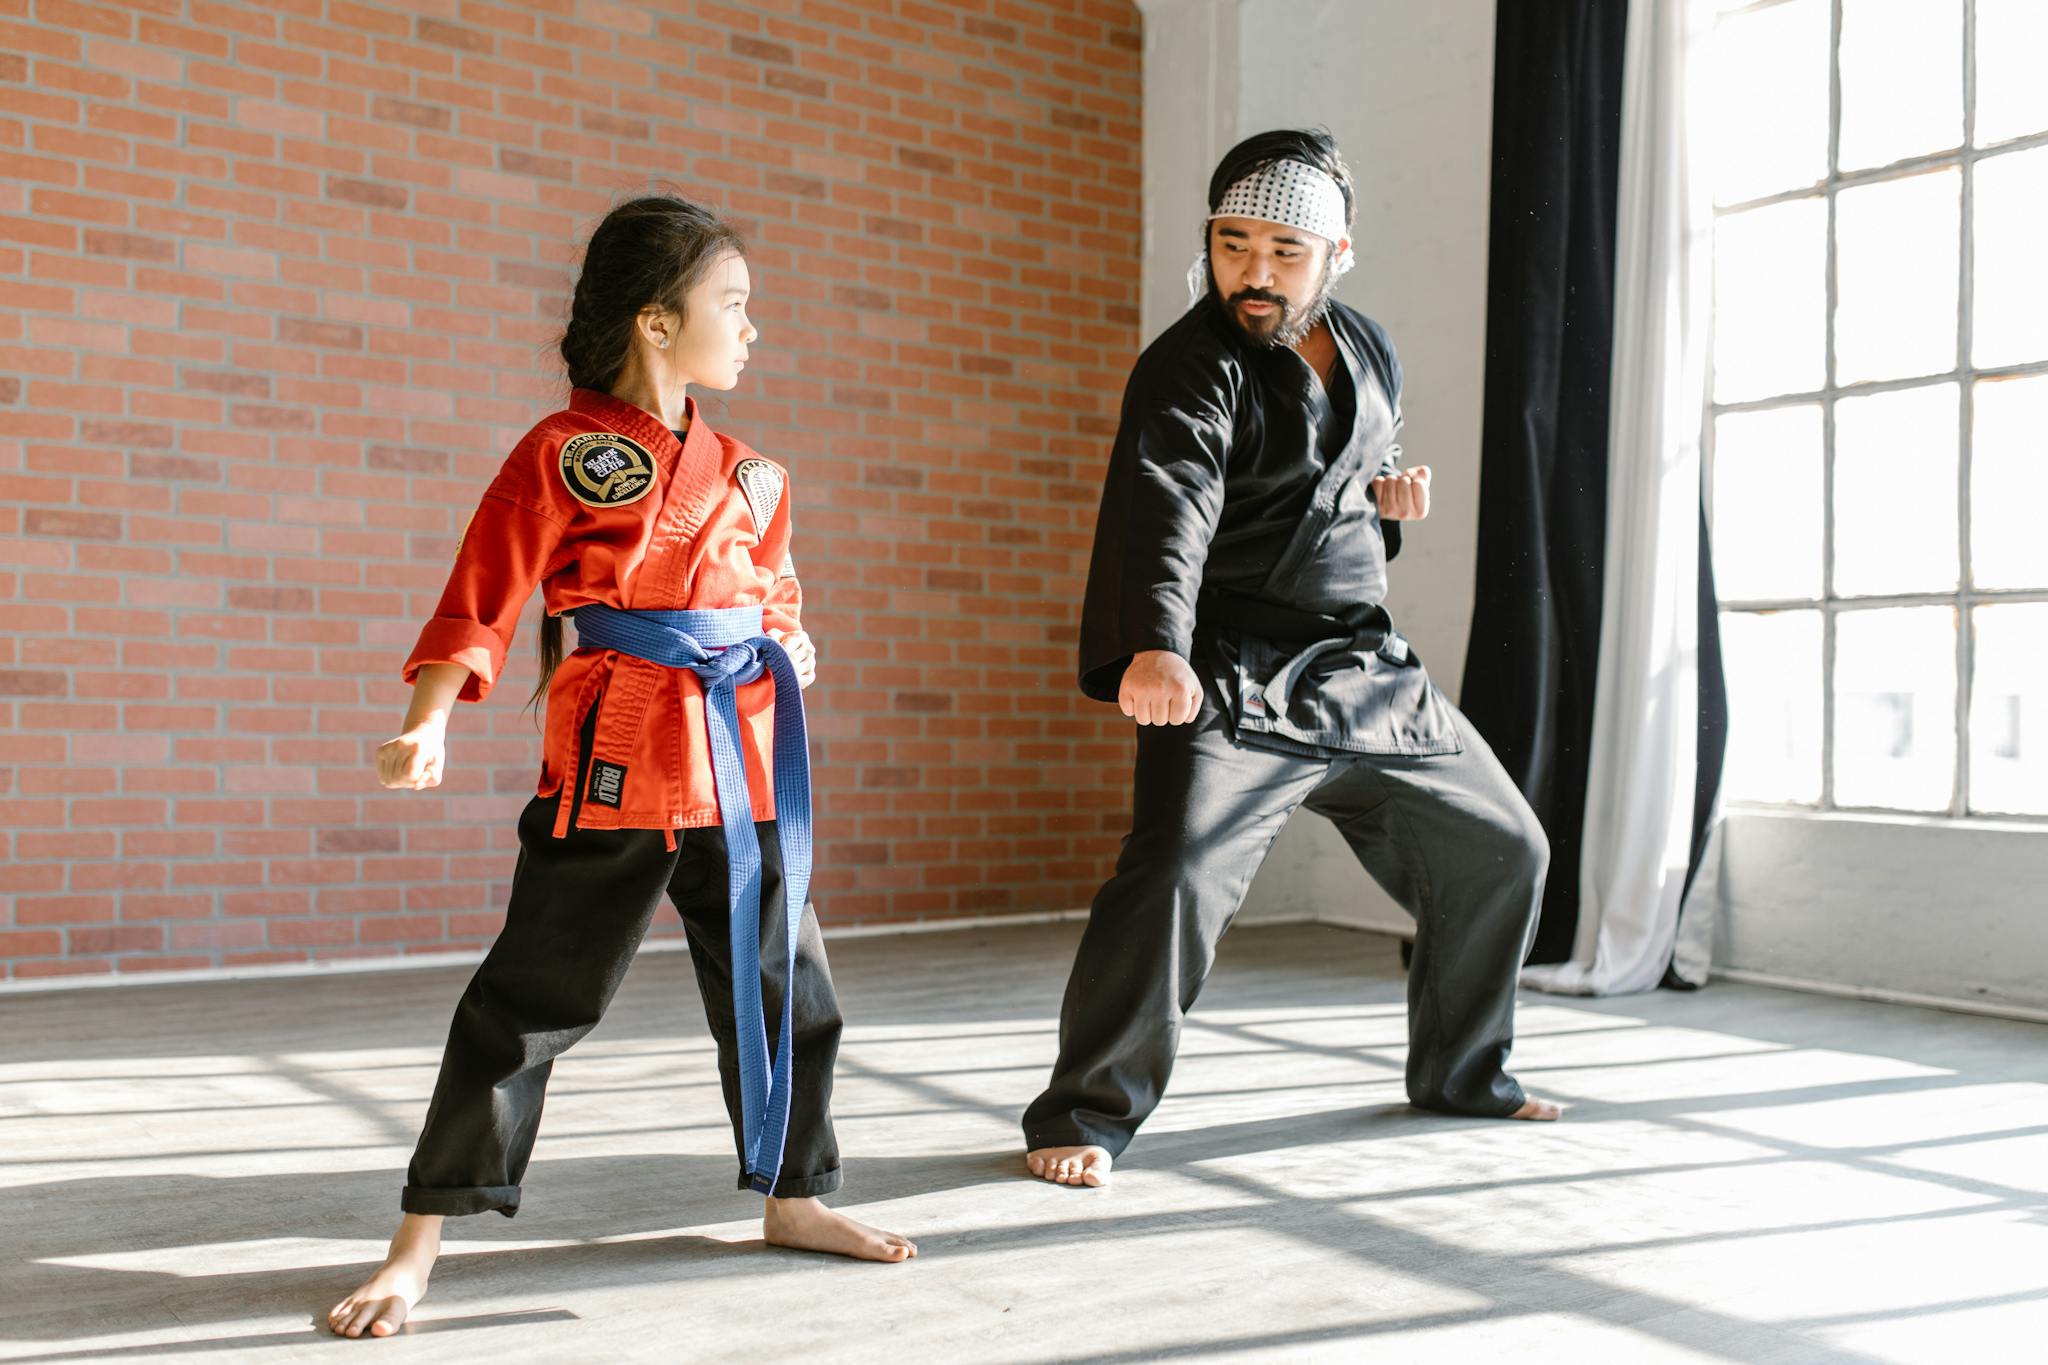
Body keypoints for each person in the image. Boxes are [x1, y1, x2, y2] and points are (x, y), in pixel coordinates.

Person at [329, 195, 914, 1340]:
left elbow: (775, 593)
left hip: (739, 760)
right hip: (617, 752)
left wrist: (791, 641)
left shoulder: (753, 474)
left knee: (786, 989)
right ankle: (417, 1242)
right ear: (656, 321)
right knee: (529, 1001)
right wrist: (431, 715)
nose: (750, 331)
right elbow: (484, 591)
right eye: (731, 307)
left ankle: (793, 1196)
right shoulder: (562, 454)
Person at [1023, 130, 1562, 1190]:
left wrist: (1389, 508)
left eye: (1281, 250)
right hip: (1225, 667)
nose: (1253, 273)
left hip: (1360, 667)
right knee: (1172, 874)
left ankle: (1463, 1074)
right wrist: (1154, 647)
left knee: (1504, 848)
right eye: (1231, 244)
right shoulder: (1188, 366)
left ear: (1336, 254)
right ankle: (1083, 1113)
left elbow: (1349, 492)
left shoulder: (1368, 348)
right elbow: (1164, 509)